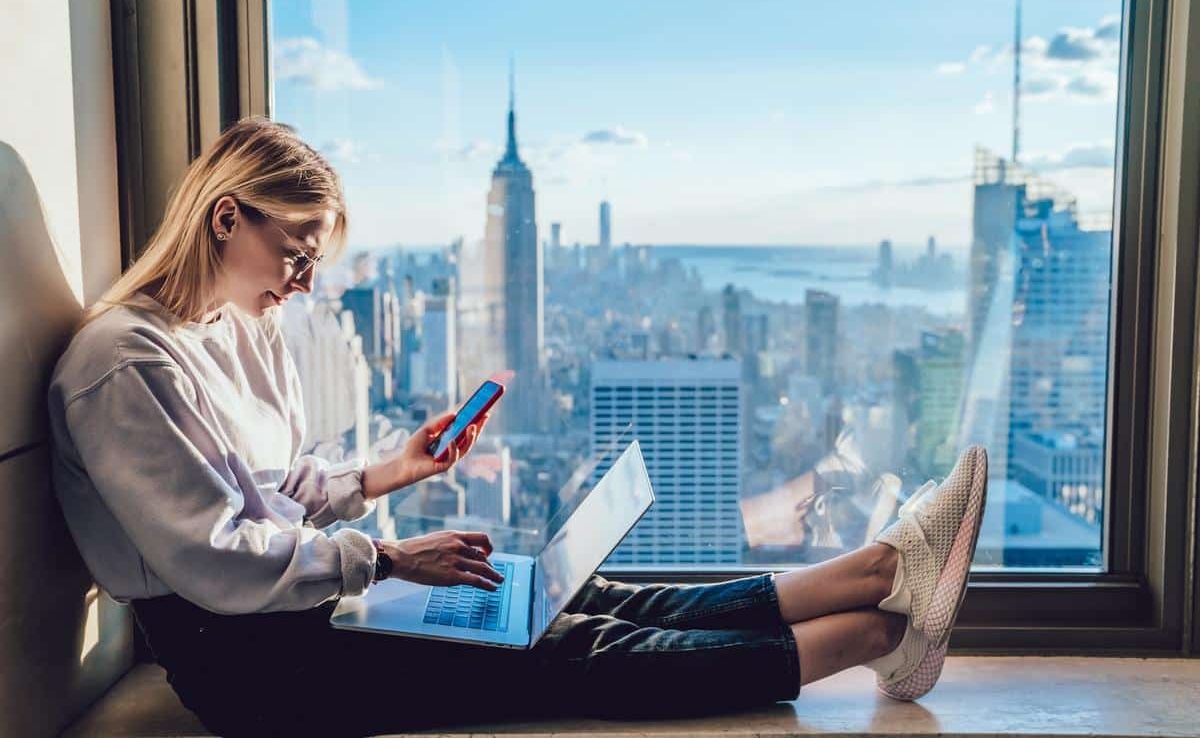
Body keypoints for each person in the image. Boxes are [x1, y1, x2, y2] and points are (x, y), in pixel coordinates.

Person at [47, 118, 988, 738]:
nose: (303, 285)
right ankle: (873, 633)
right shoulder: (123, 365)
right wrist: (385, 560)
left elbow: (273, 495)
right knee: (569, 650)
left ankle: (877, 571)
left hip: (301, 606)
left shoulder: (238, 328)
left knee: (576, 594)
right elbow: (216, 561)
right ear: (224, 217)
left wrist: (387, 476)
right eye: (294, 254)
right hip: (254, 669)